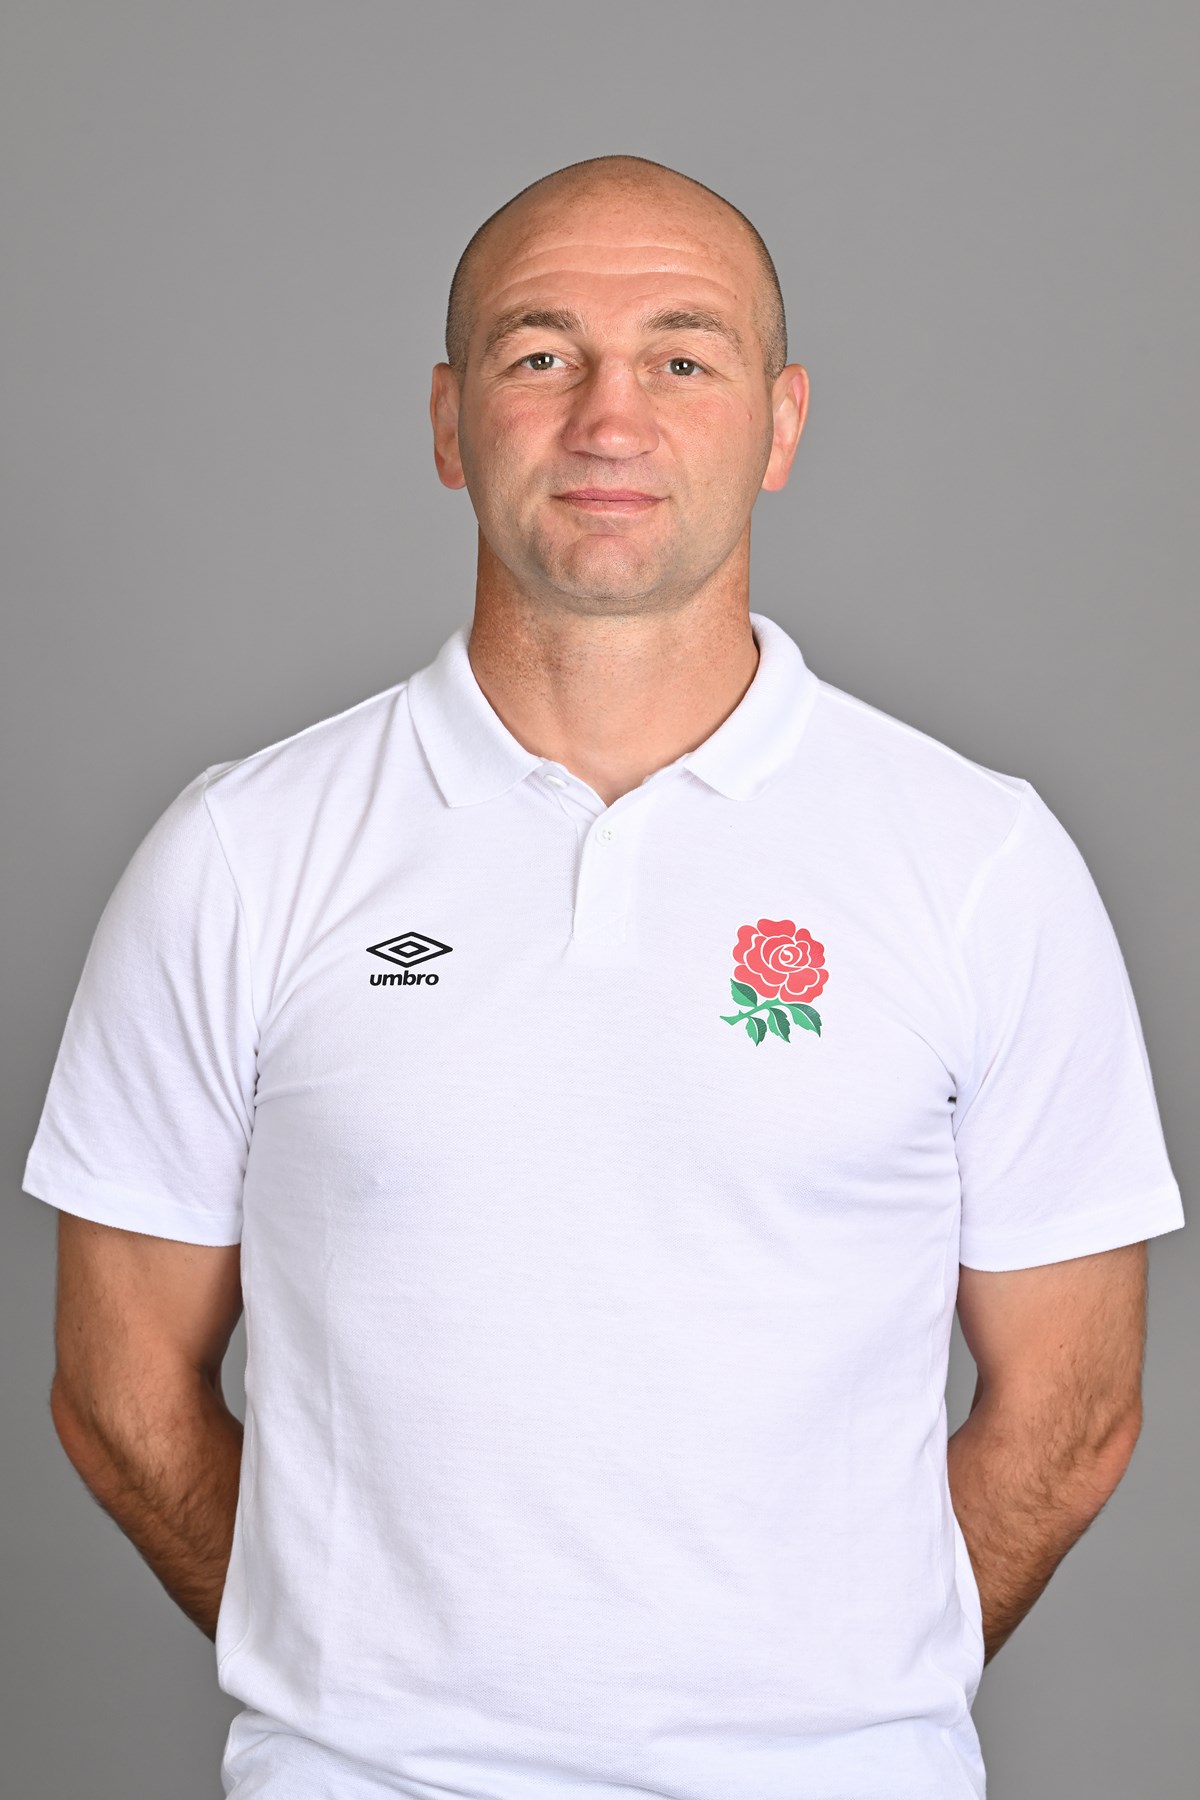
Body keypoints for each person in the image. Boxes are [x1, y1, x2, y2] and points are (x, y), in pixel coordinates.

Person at [22, 154, 1185, 1800]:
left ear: (781, 425)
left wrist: (832, 1699)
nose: (610, 420)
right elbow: (116, 1396)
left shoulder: (978, 862)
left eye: (683, 358)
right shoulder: (243, 856)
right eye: (540, 353)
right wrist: (361, 1683)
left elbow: (1075, 1416)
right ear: (449, 421)